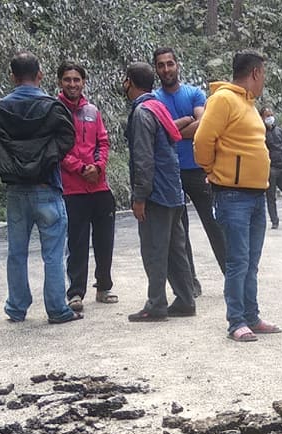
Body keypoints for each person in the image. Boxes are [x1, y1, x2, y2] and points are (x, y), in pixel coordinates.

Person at [0, 52, 79, 325]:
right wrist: (45, 158)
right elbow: (68, 137)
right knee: (54, 253)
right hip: (47, 185)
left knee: (17, 252)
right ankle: (57, 309)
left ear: (12, 76)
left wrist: (8, 159)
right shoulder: (52, 107)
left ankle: (17, 307)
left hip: (16, 191)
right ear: (40, 75)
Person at [193, 51, 278, 343]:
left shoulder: (249, 104)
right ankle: (236, 321)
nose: (263, 80)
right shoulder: (223, 99)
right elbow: (202, 140)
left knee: (251, 262)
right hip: (232, 195)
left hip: (256, 195)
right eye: (263, 74)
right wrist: (212, 169)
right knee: (237, 261)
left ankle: (252, 316)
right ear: (255, 73)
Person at [122, 62, 195, 323]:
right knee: (176, 249)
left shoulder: (142, 112)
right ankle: (186, 299)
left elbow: (143, 159)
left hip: (157, 194)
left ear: (129, 81)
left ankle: (155, 304)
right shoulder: (158, 106)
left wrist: (139, 196)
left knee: (154, 247)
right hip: (173, 190)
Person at [154, 47, 228, 294]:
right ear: (156, 69)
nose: (166, 69)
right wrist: (187, 122)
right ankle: (190, 284)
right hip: (169, 173)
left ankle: (232, 276)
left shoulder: (194, 93)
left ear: (177, 65)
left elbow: (202, 127)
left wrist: (174, 130)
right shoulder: (154, 100)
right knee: (179, 232)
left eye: (170, 64)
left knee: (214, 224)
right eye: (161, 65)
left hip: (198, 169)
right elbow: (161, 132)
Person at [57, 61, 117, 311]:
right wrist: (81, 168)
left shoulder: (92, 111)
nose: (72, 84)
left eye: (77, 79)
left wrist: (98, 167)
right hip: (73, 188)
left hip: (99, 186)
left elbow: (103, 142)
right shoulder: (55, 111)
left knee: (105, 241)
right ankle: (76, 293)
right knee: (78, 243)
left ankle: (103, 287)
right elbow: (56, 148)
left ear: (84, 82)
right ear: (60, 82)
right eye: (68, 79)